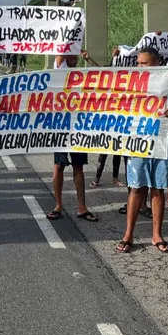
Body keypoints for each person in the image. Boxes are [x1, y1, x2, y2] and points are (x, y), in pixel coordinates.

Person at [115, 47, 168, 255]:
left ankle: (157, 234)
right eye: (138, 63)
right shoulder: (131, 80)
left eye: (144, 63)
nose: (140, 66)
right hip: (138, 142)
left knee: (158, 187)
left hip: (163, 141)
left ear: (156, 62)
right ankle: (128, 234)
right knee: (137, 187)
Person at [48, 51, 99, 222]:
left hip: (78, 126)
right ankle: (58, 205)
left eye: (76, 52)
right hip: (60, 126)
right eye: (71, 52)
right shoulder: (60, 69)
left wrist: (88, 59)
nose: (74, 55)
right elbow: (60, 54)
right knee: (59, 165)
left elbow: (106, 76)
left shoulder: (83, 73)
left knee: (79, 167)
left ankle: (82, 206)